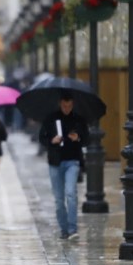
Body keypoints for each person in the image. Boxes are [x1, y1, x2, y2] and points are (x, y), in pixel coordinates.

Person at [38, 92, 89, 240]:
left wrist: (78, 138)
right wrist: (52, 141)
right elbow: (42, 137)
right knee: (59, 200)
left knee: (71, 194)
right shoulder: (51, 118)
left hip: (73, 160)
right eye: (64, 105)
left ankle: (73, 229)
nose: (67, 108)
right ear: (60, 103)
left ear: (72, 104)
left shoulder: (78, 120)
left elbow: (87, 139)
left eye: (69, 106)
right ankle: (64, 229)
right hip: (55, 162)